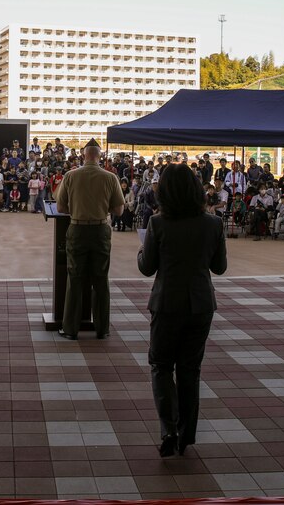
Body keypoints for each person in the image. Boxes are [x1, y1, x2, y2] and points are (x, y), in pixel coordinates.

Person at [137, 163, 226, 458]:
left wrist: (141, 250)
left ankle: (169, 429)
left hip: (167, 303)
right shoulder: (213, 224)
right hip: (201, 305)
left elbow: (147, 268)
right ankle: (187, 433)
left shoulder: (158, 223)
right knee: (190, 370)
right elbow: (219, 267)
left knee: (161, 366)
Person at [55, 138, 124, 341]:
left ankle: (70, 329)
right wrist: (102, 210)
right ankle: (102, 329)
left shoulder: (70, 176)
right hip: (101, 230)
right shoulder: (110, 178)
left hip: (77, 228)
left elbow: (60, 208)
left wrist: (77, 209)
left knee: (74, 279)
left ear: (84, 155)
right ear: (100, 156)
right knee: (101, 279)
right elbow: (119, 209)